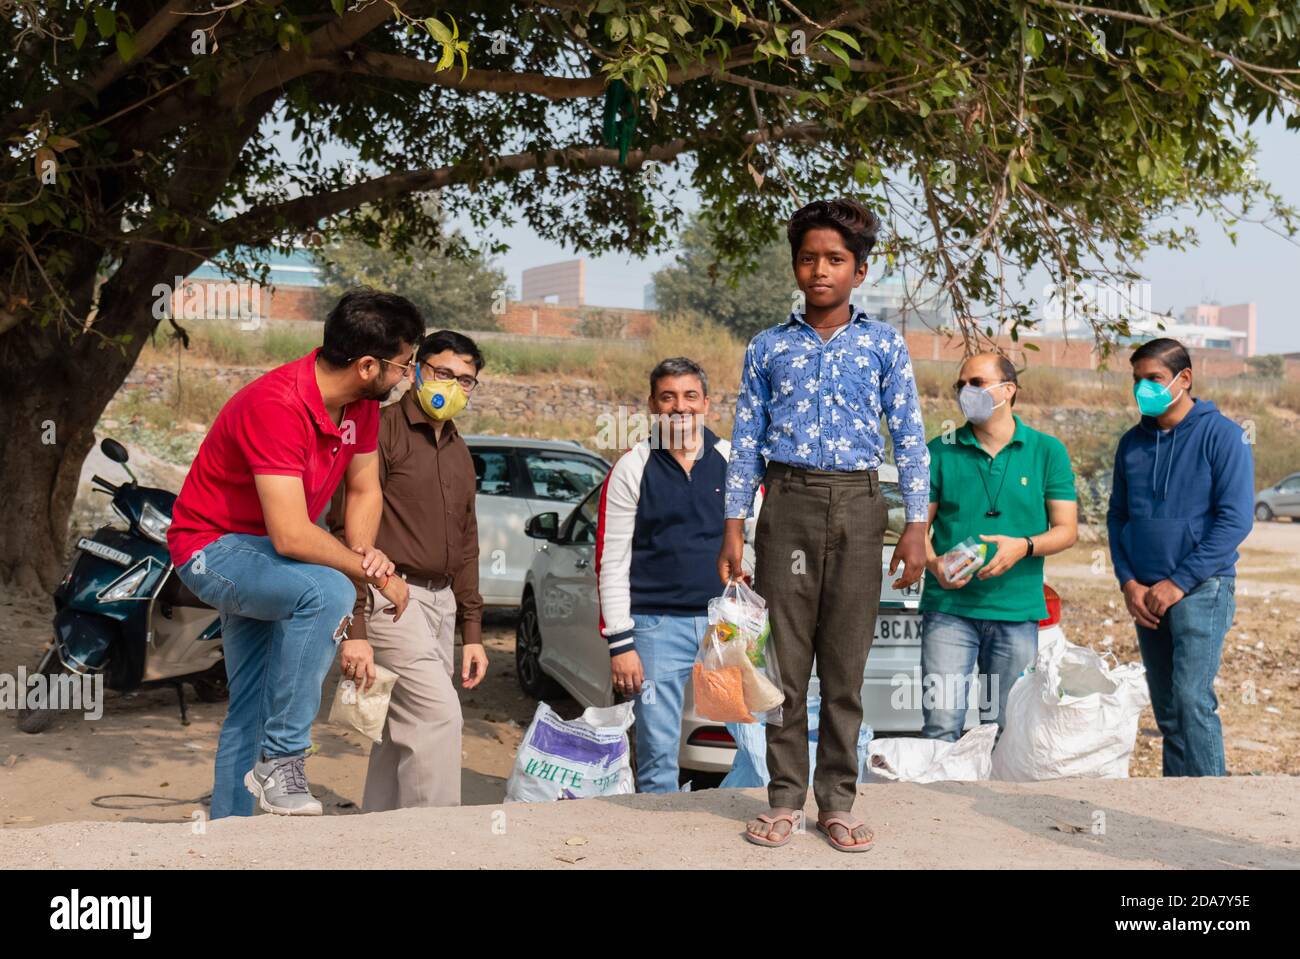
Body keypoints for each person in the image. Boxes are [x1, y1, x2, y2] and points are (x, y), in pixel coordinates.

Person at [718, 197, 929, 852]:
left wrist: (916, 522)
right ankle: (784, 795)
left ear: (859, 271)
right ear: (795, 266)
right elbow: (746, 439)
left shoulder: (884, 344)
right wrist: (734, 523)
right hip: (787, 502)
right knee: (783, 655)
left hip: (862, 507)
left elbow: (911, 437)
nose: (820, 270)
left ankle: (836, 798)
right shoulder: (768, 346)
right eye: (808, 258)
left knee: (844, 659)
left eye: (835, 259)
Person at [168, 288, 419, 818]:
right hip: (214, 551)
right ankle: (282, 758)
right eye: (405, 365)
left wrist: (365, 556)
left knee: (253, 704)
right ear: (368, 366)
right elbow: (290, 534)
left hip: (271, 564)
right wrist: (374, 577)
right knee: (326, 589)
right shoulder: (277, 404)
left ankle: (230, 837)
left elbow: (364, 489)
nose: (408, 379)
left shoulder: (361, 405)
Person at [328, 330, 489, 810]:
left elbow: (466, 544)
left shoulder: (460, 451)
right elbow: (344, 532)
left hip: (439, 603)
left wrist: (473, 631)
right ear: (417, 368)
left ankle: (381, 839)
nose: (453, 386)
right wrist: (355, 624)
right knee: (438, 718)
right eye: (443, 373)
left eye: (466, 380)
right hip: (389, 598)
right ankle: (435, 847)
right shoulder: (378, 431)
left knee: (401, 731)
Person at [595, 357, 753, 793]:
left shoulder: (734, 463)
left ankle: (738, 824)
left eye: (689, 397)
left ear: (707, 404)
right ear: (653, 405)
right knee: (658, 754)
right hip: (654, 628)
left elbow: (756, 538)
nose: (679, 407)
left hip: (727, 626)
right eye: (668, 398)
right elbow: (612, 561)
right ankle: (659, 845)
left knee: (755, 742)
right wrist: (621, 643)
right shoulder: (633, 467)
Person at [1107, 337, 1253, 777]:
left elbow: (1235, 521)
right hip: (1146, 596)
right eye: (1137, 380)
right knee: (1167, 709)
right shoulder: (1131, 444)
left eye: (1153, 379)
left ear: (1183, 379)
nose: (1141, 389)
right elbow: (1117, 518)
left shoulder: (1223, 436)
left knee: (1193, 700)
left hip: (1201, 589)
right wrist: (1129, 583)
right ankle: (1176, 810)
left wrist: (1178, 583)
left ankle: (1214, 805)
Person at [920, 353, 1078, 741]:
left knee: (1007, 728)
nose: (965, 392)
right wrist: (934, 563)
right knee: (941, 725)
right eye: (961, 385)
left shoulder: (1047, 451)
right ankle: (940, 803)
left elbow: (1066, 530)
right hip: (949, 611)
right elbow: (915, 528)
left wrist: (1022, 547)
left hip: (1016, 611)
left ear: (1008, 390)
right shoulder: (939, 450)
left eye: (976, 382)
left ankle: (997, 803)